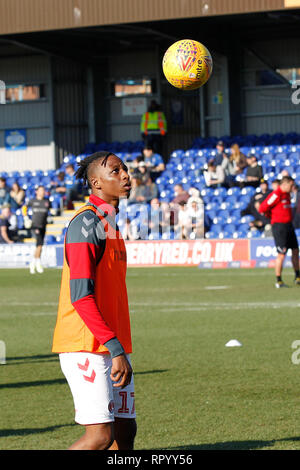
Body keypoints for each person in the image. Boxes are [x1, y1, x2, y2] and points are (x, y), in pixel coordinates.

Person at [52, 151, 136, 450]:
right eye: (115, 171)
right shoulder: (85, 224)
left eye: (124, 168)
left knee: (125, 432)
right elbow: (81, 297)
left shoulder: (109, 223)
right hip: (86, 345)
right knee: (100, 436)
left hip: (113, 344)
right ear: (96, 183)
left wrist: (118, 347)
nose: (125, 175)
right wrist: (114, 347)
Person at [259, 176, 300, 288]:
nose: (292, 188)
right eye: (291, 186)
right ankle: (279, 280)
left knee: (295, 251)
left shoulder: (287, 194)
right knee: (282, 254)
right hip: (279, 227)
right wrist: (272, 217)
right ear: (285, 184)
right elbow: (262, 208)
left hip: (289, 225)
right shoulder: (276, 194)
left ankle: (297, 276)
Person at [26, 186, 51, 274]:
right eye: (41, 190)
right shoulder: (32, 201)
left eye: (43, 190)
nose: (42, 192)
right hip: (35, 225)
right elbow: (24, 208)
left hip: (43, 225)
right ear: (37, 191)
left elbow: (49, 212)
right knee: (39, 244)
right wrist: (26, 218)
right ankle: (37, 263)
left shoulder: (46, 201)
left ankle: (33, 263)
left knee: (40, 245)